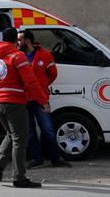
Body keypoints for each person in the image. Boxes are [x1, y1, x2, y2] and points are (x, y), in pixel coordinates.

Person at [0, 26, 46, 188]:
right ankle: (19, 177)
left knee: (11, 135)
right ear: (15, 40)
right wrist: (42, 99)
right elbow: (30, 81)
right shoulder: (18, 56)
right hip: (14, 102)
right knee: (20, 139)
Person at [18, 29, 71, 168]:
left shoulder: (45, 55)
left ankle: (56, 158)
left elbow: (52, 74)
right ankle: (36, 158)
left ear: (27, 40)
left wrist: (42, 87)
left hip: (40, 98)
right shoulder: (18, 56)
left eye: (19, 40)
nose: (17, 43)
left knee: (47, 129)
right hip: (24, 99)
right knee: (29, 131)